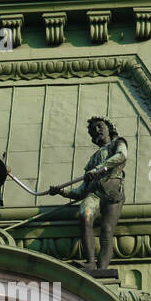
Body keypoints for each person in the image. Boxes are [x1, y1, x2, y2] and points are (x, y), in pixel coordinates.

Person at [49, 116, 127, 272]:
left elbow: (122, 156)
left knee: (107, 229)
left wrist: (99, 169)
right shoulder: (93, 159)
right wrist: (61, 191)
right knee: (85, 216)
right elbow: (81, 191)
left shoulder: (117, 143)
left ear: (109, 128)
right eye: (93, 130)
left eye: (99, 126)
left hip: (113, 193)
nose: (96, 131)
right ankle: (91, 261)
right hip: (94, 194)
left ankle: (103, 268)